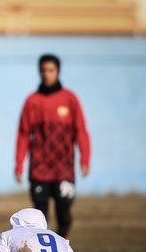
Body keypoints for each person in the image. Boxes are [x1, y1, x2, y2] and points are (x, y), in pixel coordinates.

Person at [15, 54, 91, 238]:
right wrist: (19, 164)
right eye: (43, 70)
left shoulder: (70, 99)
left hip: (63, 168)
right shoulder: (32, 101)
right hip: (39, 167)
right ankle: (44, 251)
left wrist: (84, 158)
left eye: (50, 70)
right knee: (40, 215)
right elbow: (23, 134)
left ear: (57, 71)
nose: (46, 74)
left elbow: (80, 130)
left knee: (63, 210)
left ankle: (63, 240)